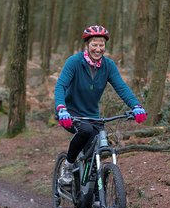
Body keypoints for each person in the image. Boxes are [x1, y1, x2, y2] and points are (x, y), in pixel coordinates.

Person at [54, 25, 147, 185]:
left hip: (93, 116)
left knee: (97, 147)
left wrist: (135, 106)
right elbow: (60, 86)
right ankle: (68, 166)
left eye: (101, 45)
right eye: (94, 45)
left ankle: (96, 200)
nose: (98, 49)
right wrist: (61, 108)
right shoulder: (74, 62)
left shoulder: (108, 65)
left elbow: (121, 87)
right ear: (87, 45)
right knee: (85, 130)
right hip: (71, 114)